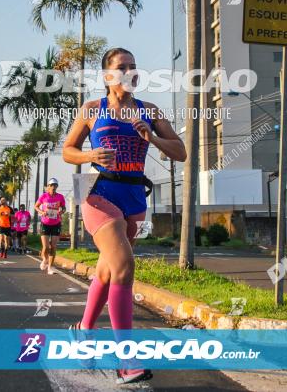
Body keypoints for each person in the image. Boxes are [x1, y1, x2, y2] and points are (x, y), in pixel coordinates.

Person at [62, 48, 185, 385]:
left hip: (134, 196)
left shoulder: (150, 111)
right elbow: (67, 150)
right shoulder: (92, 109)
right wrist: (89, 153)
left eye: (133, 66)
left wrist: (152, 136)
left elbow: (181, 152)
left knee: (108, 270)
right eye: (121, 67)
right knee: (125, 265)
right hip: (98, 191)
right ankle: (126, 360)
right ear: (107, 76)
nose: (129, 71)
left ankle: (84, 330)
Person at [35, 179, 66, 274]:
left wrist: (62, 211)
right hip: (45, 223)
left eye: (55, 185)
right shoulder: (43, 196)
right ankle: (45, 259)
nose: (53, 187)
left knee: (53, 246)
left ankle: (50, 267)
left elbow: (64, 207)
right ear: (48, 186)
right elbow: (36, 206)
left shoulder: (60, 197)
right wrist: (42, 212)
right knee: (46, 247)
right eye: (51, 185)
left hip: (56, 223)